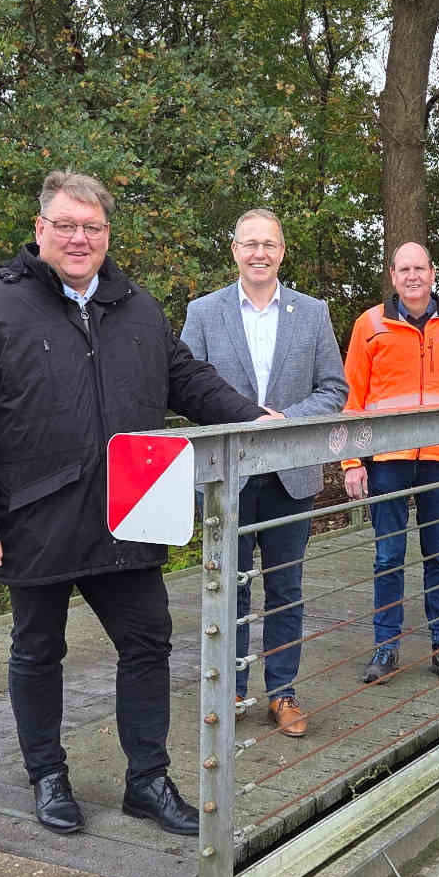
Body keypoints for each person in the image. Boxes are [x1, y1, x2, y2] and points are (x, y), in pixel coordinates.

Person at [0, 171, 272, 838]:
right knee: (38, 648)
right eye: (65, 225)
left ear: (107, 235)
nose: (79, 238)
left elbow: (187, 380)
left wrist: (252, 418)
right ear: (41, 231)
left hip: (129, 511)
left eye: (91, 227)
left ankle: (147, 780)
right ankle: (48, 775)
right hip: (35, 515)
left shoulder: (137, 307)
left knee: (148, 642)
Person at [179, 209, 347, 738]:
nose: (259, 253)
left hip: (290, 475)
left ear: (282, 251)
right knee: (227, 588)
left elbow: (334, 390)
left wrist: (283, 422)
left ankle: (283, 691)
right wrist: (245, 419)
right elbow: (184, 388)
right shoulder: (203, 314)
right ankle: (228, 689)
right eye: (249, 243)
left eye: (268, 244)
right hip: (227, 477)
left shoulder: (312, 312)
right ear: (234, 250)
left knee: (286, 589)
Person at [341, 243, 439, 685]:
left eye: (419, 268)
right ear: (392, 275)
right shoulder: (369, 324)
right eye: (404, 269)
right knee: (388, 556)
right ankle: (385, 649)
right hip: (387, 460)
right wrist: (352, 461)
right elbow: (352, 398)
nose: (412, 276)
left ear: (433, 272)